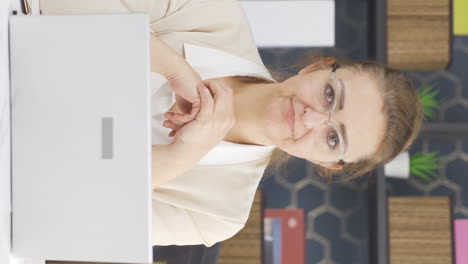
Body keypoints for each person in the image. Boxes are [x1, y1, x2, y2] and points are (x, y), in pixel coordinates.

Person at [39, 0, 423, 247]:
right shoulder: (217, 17)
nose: (310, 118)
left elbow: (58, 221)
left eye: (333, 137)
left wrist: (180, 156)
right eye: (329, 95)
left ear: (327, 164)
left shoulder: (219, 215)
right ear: (318, 66)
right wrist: (171, 65)